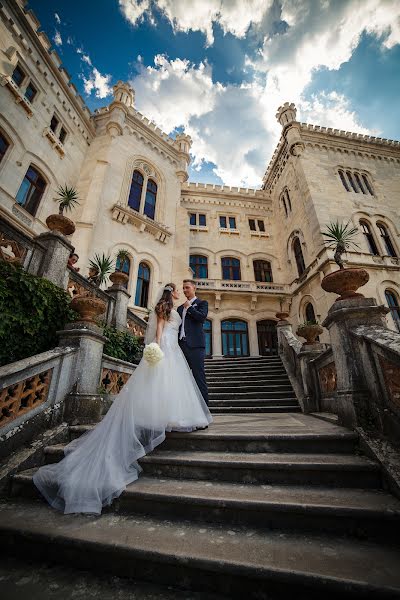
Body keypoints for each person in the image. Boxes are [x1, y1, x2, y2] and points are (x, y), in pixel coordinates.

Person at [32, 283, 212, 515]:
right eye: (177, 289)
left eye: (183, 288)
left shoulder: (181, 309)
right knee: (161, 382)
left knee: (175, 384)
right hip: (166, 347)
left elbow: (186, 325)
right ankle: (162, 415)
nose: (180, 291)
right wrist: (156, 346)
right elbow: (159, 328)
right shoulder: (164, 308)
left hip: (178, 349)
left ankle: (172, 415)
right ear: (171, 293)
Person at [178, 280, 209, 406]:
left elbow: (201, 318)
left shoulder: (202, 303)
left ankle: (205, 413)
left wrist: (190, 308)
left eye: (187, 287)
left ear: (194, 288)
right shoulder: (180, 308)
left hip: (196, 346)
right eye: (183, 288)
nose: (185, 290)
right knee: (181, 379)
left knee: (199, 378)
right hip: (181, 346)